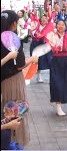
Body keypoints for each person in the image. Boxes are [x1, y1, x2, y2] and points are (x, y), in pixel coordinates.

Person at [37, 4, 67, 116]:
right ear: (56, 26)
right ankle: (58, 105)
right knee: (56, 83)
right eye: (58, 24)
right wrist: (51, 11)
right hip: (56, 60)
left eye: (62, 25)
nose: (60, 26)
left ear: (65, 26)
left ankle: (62, 101)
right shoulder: (51, 35)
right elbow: (48, 42)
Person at [1, 10, 39, 146]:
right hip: (14, 81)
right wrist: (32, 59)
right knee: (16, 110)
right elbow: (20, 65)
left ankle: (7, 141)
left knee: (5, 110)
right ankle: (16, 142)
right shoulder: (12, 38)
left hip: (3, 82)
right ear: (14, 23)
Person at [28, 11, 52, 83]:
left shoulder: (49, 27)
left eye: (45, 18)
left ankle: (52, 76)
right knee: (37, 61)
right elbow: (32, 32)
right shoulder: (36, 26)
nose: (44, 19)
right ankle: (39, 76)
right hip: (37, 45)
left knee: (50, 61)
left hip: (46, 46)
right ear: (40, 20)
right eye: (42, 18)